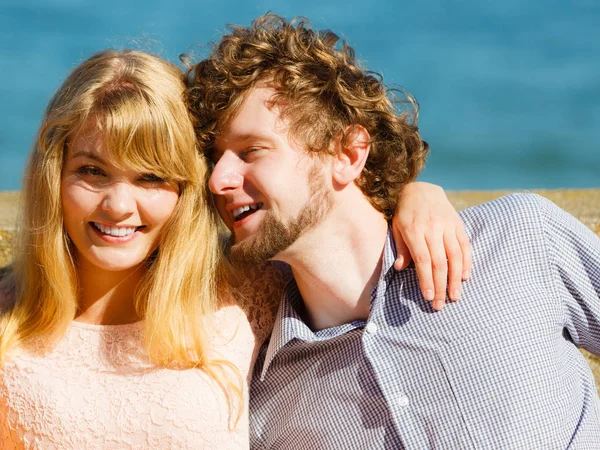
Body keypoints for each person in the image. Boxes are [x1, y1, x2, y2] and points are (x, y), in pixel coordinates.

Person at [0, 49, 469, 448]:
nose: (119, 205)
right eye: (92, 171)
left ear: (186, 187)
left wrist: (415, 194)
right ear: (54, 174)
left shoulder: (246, 298)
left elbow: (331, 237)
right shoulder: (8, 333)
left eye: (151, 176)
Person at [191, 14, 600, 449]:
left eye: (251, 151)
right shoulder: (264, 397)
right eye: (215, 161)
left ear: (348, 154)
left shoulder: (516, 241)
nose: (219, 181)